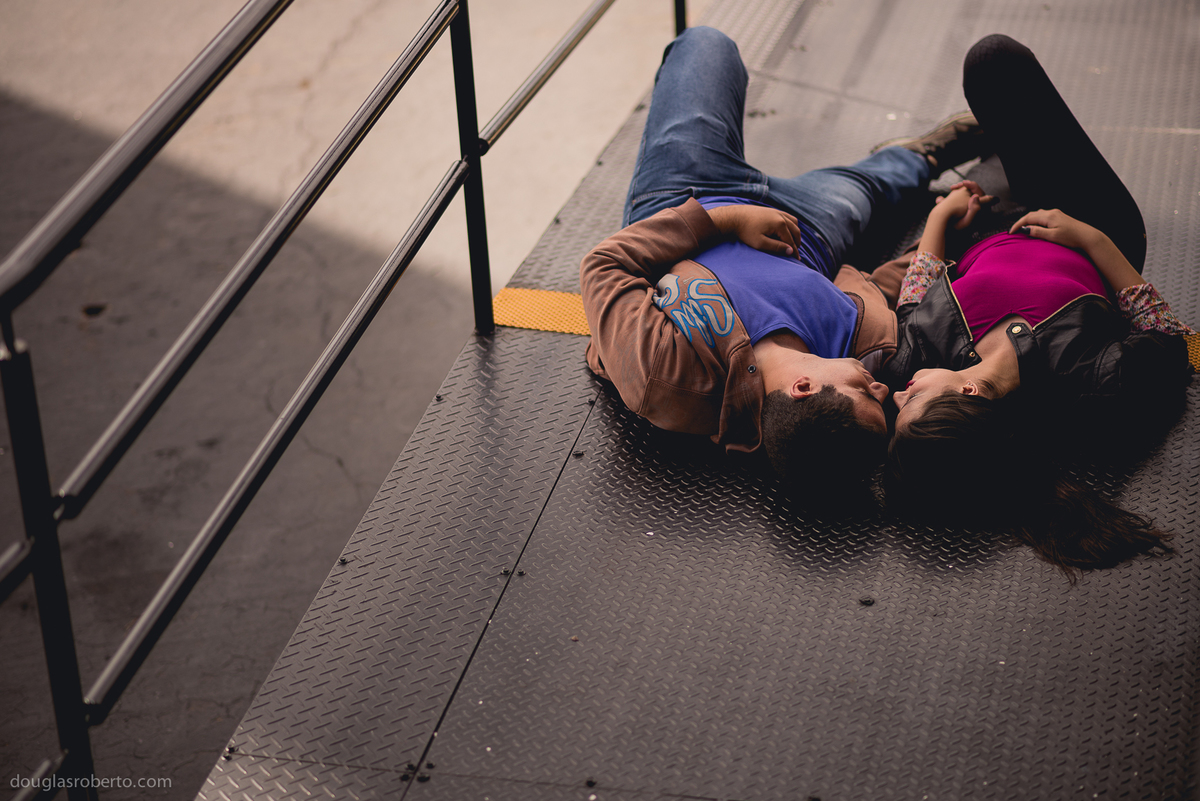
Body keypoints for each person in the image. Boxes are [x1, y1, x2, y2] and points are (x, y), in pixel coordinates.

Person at [579, 26, 987, 491]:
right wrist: (944, 231)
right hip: (806, 229)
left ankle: (898, 164)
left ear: (803, 389)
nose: (884, 391)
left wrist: (729, 221)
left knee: (708, 46)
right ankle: (921, 157)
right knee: (878, 185)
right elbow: (891, 288)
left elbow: (605, 265)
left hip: (688, 193)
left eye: (866, 395)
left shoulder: (669, 376)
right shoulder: (865, 354)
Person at [879, 34, 1195, 576]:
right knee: (994, 60)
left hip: (996, 224)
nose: (899, 392)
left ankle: (981, 150)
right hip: (1090, 218)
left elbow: (913, 298)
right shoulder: (1094, 381)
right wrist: (1093, 241)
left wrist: (939, 219)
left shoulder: (921, 357)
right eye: (910, 403)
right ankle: (985, 145)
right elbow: (1168, 337)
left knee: (992, 160)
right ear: (971, 392)